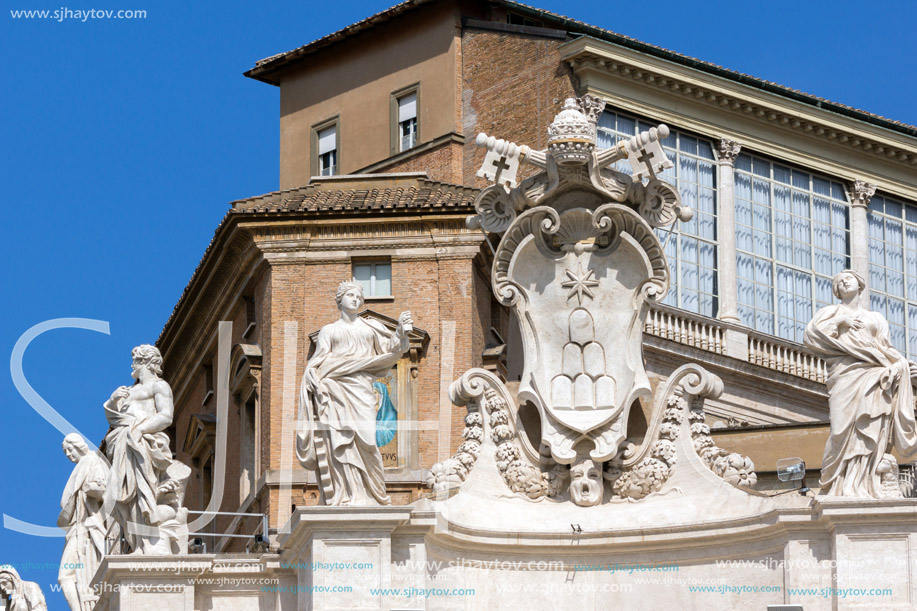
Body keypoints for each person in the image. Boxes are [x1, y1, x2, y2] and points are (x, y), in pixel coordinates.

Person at [296, 281, 412, 505]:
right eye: (350, 295)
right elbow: (317, 361)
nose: (355, 299)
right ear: (340, 300)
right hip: (335, 388)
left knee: (367, 441)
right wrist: (312, 377)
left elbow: (392, 349)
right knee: (339, 439)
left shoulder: (371, 327)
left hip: (361, 387)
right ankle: (345, 493)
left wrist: (400, 331)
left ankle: (371, 493)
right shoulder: (329, 331)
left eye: (358, 296)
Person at [804, 269, 917, 498]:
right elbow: (812, 337)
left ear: (860, 285)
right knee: (840, 430)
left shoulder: (876, 318)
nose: (844, 282)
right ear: (836, 290)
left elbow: (885, 349)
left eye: (849, 279)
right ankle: (837, 484)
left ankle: (866, 483)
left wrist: (904, 366)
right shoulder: (829, 312)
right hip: (844, 376)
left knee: (871, 429)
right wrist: (839, 321)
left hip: (874, 377)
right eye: (839, 281)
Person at [102, 344, 176, 553]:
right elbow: (114, 419)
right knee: (124, 496)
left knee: (143, 492)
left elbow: (166, 415)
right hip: (122, 445)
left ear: (146, 362)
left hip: (143, 443)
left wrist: (139, 430)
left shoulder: (159, 386)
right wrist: (113, 400)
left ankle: (148, 542)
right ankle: (137, 544)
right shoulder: (129, 390)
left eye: (135, 360)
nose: (132, 365)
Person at [58, 433, 109, 610]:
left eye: (70, 449)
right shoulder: (83, 464)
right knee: (66, 576)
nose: (68, 454)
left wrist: (90, 488)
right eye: (65, 452)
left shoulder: (93, 460)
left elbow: (105, 490)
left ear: (78, 445)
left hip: (89, 525)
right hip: (78, 527)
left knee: (65, 576)